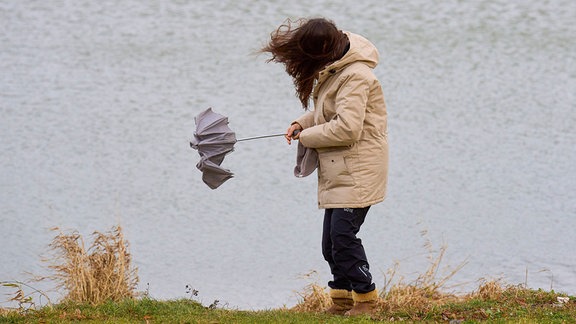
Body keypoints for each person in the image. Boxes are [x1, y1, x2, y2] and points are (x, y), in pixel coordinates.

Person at [260, 17, 388, 316]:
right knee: (330, 244)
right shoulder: (336, 67)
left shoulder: (356, 76)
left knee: (343, 238)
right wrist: (300, 122)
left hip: (359, 170)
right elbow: (325, 112)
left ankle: (367, 301)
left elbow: (347, 128)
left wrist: (307, 136)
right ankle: (341, 301)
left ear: (327, 48)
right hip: (340, 169)